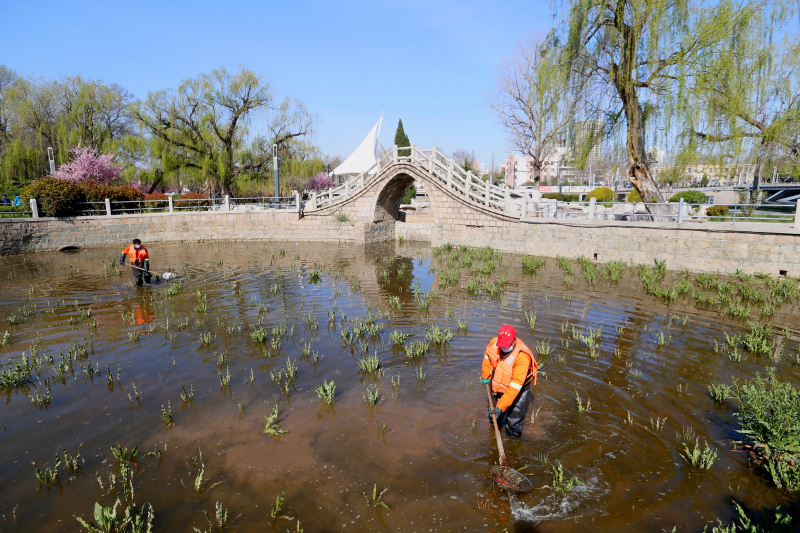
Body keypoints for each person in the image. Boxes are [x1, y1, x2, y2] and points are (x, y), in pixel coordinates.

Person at [481, 325, 539, 438]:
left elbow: (515, 386)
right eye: (501, 344)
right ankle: (495, 428)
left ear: (514, 341)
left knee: (514, 416)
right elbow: (487, 358)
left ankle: (513, 439)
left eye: (506, 345)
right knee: (493, 414)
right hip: (497, 382)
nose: (503, 347)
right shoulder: (494, 343)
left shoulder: (522, 357)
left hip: (517, 387)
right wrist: (486, 376)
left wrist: (501, 406)